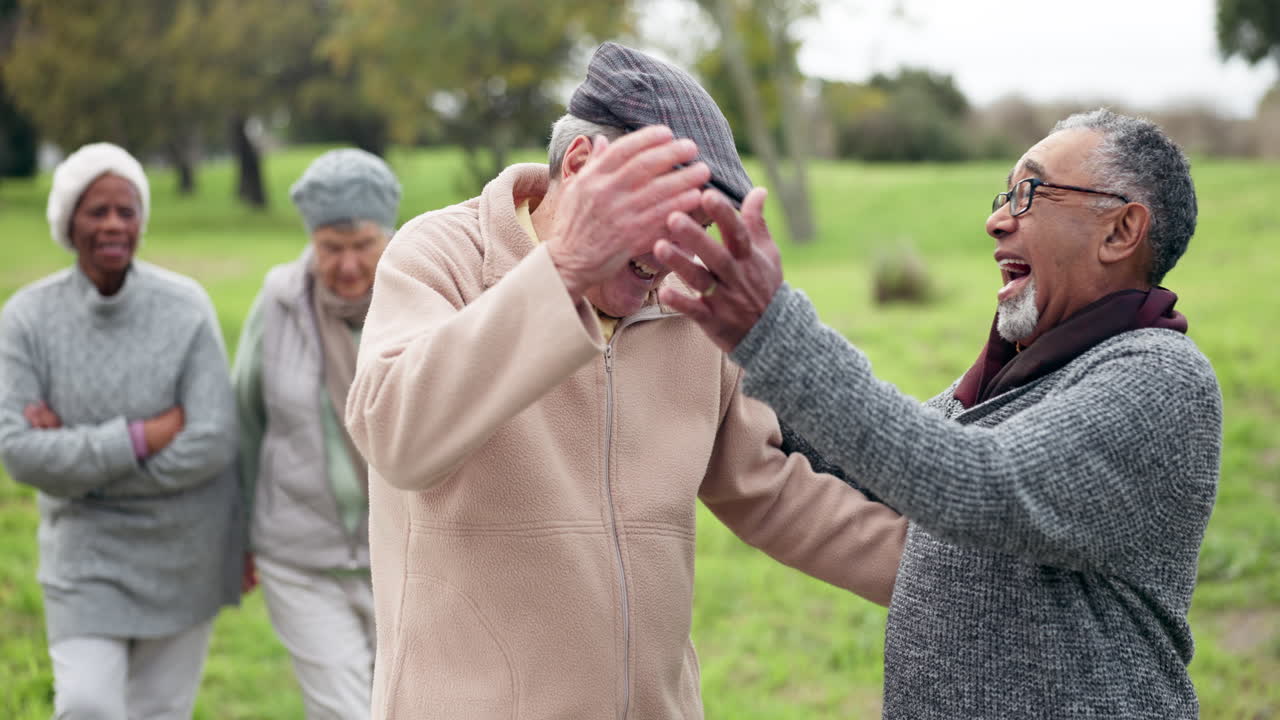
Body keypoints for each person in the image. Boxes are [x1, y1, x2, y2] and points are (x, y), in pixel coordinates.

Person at [344, 42, 905, 719]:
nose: (674, 246)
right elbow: (397, 433)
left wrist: (968, 582)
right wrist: (564, 272)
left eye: (697, 222)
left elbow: (774, 490)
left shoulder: (685, 299)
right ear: (582, 164)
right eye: (662, 212)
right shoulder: (441, 256)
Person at [656, 108, 1221, 719]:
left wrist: (772, 330)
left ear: (1120, 231)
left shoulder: (1162, 378)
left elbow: (975, 482)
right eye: (1004, 194)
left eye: (1028, 192)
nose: (996, 219)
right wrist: (722, 350)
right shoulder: (1022, 373)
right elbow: (874, 465)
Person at [0, 142, 242, 719]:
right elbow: (19, 453)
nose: (113, 224)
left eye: (126, 210)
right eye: (96, 210)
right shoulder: (27, 319)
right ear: (68, 221)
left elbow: (212, 441)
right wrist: (139, 439)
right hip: (85, 555)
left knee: (160, 712)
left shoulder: (186, 307)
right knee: (88, 705)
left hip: (185, 551)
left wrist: (77, 468)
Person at [232, 148, 400, 719]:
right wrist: (238, 535)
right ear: (311, 243)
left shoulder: (425, 300)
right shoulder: (278, 304)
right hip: (300, 556)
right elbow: (245, 419)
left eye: (362, 245)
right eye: (331, 247)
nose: (348, 264)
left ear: (390, 235)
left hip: (407, 556)